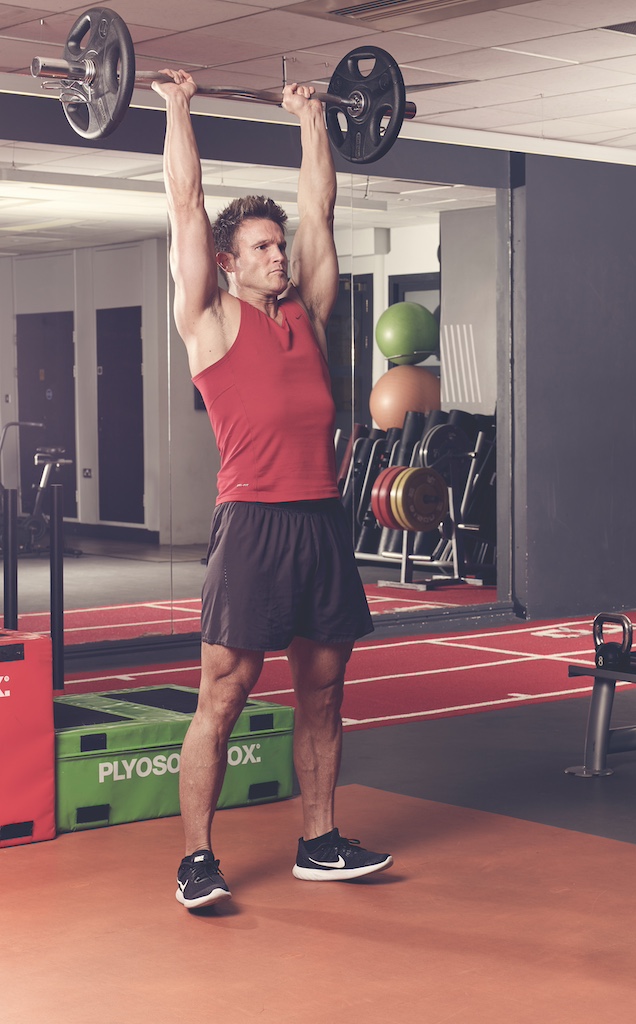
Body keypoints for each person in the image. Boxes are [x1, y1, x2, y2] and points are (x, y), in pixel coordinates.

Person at [153, 69, 392, 910]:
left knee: (324, 688)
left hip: (321, 522)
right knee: (223, 690)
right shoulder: (209, 319)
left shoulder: (309, 315)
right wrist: (178, 107)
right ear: (227, 263)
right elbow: (186, 204)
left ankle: (319, 840)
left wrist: (311, 120)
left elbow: (319, 211)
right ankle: (196, 860)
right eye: (261, 246)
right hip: (251, 523)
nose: (279, 253)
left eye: (278, 244)